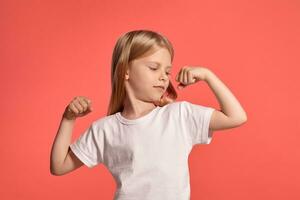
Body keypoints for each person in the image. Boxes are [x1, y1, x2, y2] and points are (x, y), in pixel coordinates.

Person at [50, 29, 247, 200]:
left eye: (167, 71)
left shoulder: (179, 116)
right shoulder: (104, 129)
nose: (163, 77)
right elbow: (59, 166)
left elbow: (236, 117)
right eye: (154, 68)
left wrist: (207, 75)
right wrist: (68, 118)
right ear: (125, 71)